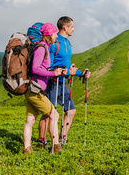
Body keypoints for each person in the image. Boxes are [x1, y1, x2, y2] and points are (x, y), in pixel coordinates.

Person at [38, 16, 91, 148]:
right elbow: (48, 66)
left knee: (71, 111)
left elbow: (68, 67)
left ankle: (62, 138)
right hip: (52, 82)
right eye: (72, 26)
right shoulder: (54, 43)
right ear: (65, 27)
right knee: (48, 114)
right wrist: (67, 71)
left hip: (63, 83)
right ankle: (42, 140)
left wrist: (81, 73)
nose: (74, 29)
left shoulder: (67, 43)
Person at [22, 23, 73, 154]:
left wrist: (56, 70)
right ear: (49, 35)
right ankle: (56, 147)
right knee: (54, 114)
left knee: (30, 120)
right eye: (54, 33)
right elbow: (35, 68)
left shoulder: (45, 47)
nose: (56, 35)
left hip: (34, 89)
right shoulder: (42, 48)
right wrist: (53, 73)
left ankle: (27, 149)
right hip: (35, 90)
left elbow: (42, 68)